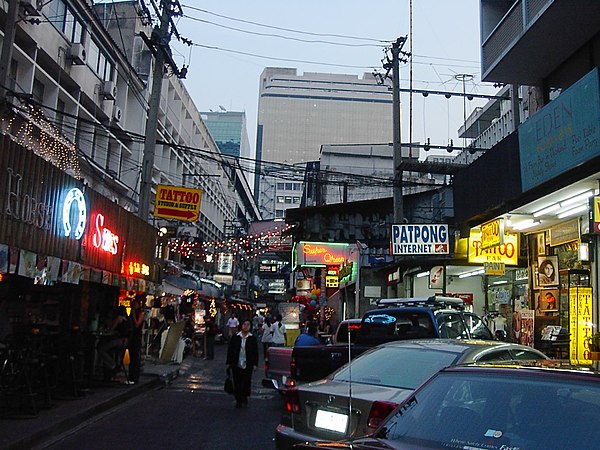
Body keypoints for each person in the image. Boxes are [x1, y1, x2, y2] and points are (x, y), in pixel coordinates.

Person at [226, 319, 258, 408]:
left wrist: (255, 364)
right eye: (245, 324)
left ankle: (244, 396)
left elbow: (255, 352)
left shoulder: (252, 338)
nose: (246, 326)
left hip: (248, 363)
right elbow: (231, 350)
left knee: (246, 382)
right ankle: (238, 399)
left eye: (248, 324)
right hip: (237, 363)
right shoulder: (236, 337)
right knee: (237, 382)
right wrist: (228, 362)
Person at [97, 305, 130, 382]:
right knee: (106, 348)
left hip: (119, 340)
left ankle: (112, 364)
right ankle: (110, 367)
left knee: (101, 348)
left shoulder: (119, 318)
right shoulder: (126, 319)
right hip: (124, 341)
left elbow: (111, 328)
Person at [128, 298, 145, 384]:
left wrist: (134, 315)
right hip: (132, 336)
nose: (134, 306)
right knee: (132, 356)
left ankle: (134, 377)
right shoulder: (132, 313)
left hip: (137, 336)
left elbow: (137, 324)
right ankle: (131, 377)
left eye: (135, 304)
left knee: (135, 357)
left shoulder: (140, 313)